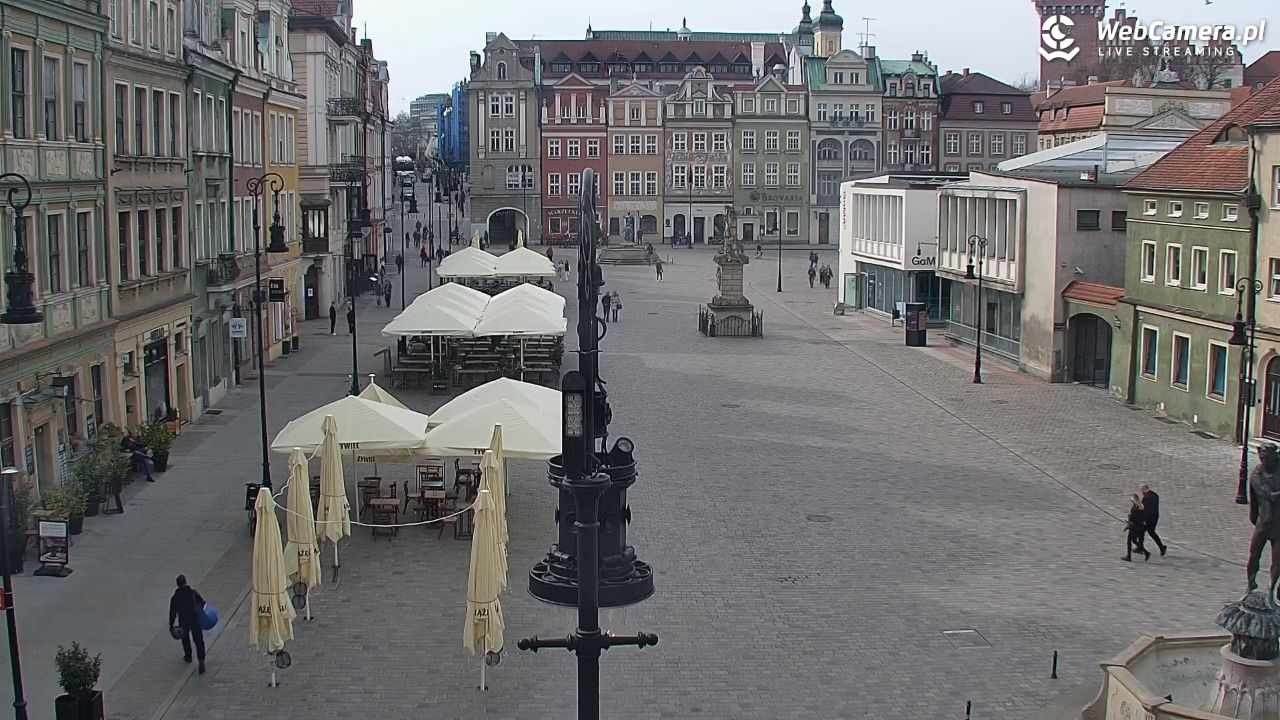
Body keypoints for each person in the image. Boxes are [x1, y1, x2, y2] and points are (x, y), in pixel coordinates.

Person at [1247, 443, 1280, 592]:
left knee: (1278, 560)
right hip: (1263, 522)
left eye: (1268, 458)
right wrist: (1254, 518)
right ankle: (1251, 583)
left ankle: (1271, 589)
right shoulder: (1256, 475)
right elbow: (1260, 498)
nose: (1265, 461)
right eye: (1263, 458)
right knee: (1254, 555)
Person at [169, 575, 207, 674]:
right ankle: (201, 661)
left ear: (177, 585)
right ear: (185, 582)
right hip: (195, 619)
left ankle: (188, 656)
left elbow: (172, 612)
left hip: (183, 621)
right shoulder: (193, 593)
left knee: (185, 639)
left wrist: (171, 625)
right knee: (198, 640)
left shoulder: (175, 597)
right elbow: (202, 603)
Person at [1139, 484, 1167, 556]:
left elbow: (1145, 510)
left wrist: (1143, 519)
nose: (1141, 493)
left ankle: (1140, 548)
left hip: (1148, 518)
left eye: (1141, 491)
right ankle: (1161, 547)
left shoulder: (1146, 498)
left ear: (1144, 490)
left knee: (1141, 532)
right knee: (1151, 532)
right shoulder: (1155, 495)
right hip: (1155, 517)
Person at [1123, 493, 1150, 562]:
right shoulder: (1134, 506)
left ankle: (1129, 556)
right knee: (1134, 540)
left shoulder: (1140, 506)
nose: (1131, 500)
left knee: (1129, 540)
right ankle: (1146, 552)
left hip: (1137, 526)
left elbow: (1141, 508)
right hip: (1133, 526)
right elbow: (1132, 515)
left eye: (1132, 499)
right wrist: (1128, 523)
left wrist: (1135, 501)